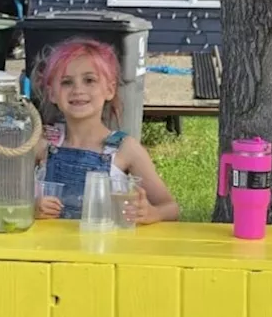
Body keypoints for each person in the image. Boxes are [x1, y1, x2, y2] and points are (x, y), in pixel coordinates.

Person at [32, 37, 179, 224]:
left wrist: (151, 213)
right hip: (47, 251)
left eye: (89, 80)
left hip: (104, 249)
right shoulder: (42, 143)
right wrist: (32, 207)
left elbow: (170, 208)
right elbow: (8, 198)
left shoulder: (126, 149)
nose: (78, 89)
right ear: (52, 93)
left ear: (109, 90)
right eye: (66, 82)